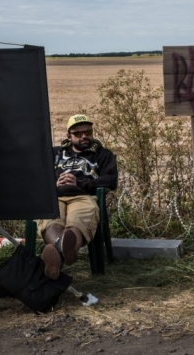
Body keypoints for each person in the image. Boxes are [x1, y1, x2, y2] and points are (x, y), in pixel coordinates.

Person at [38, 114, 118, 280]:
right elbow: (37, 174)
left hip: (83, 196)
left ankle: (57, 254)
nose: (84, 136)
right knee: (51, 221)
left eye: (88, 132)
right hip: (56, 196)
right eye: (78, 133)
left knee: (77, 222)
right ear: (69, 135)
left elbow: (111, 180)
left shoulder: (103, 155)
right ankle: (64, 250)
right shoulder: (55, 153)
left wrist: (80, 183)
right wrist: (54, 182)